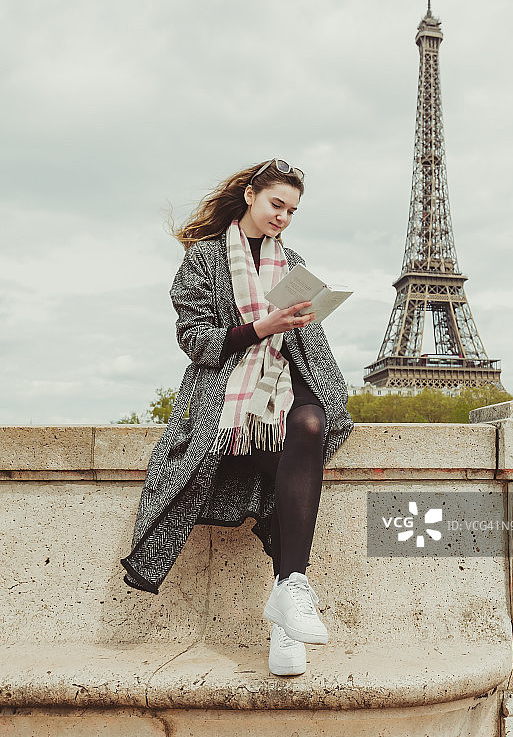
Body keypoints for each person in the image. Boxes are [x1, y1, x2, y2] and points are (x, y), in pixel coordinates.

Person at [120, 158, 354, 677]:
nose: (283, 218)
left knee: (310, 425)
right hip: (230, 388)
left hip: (291, 377)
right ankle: (287, 604)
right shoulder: (204, 259)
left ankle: (290, 592)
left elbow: (307, 340)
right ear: (250, 195)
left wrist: (301, 320)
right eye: (276, 204)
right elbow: (194, 341)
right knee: (290, 470)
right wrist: (263, 326)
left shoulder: (292, 261)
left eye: (292, 211)